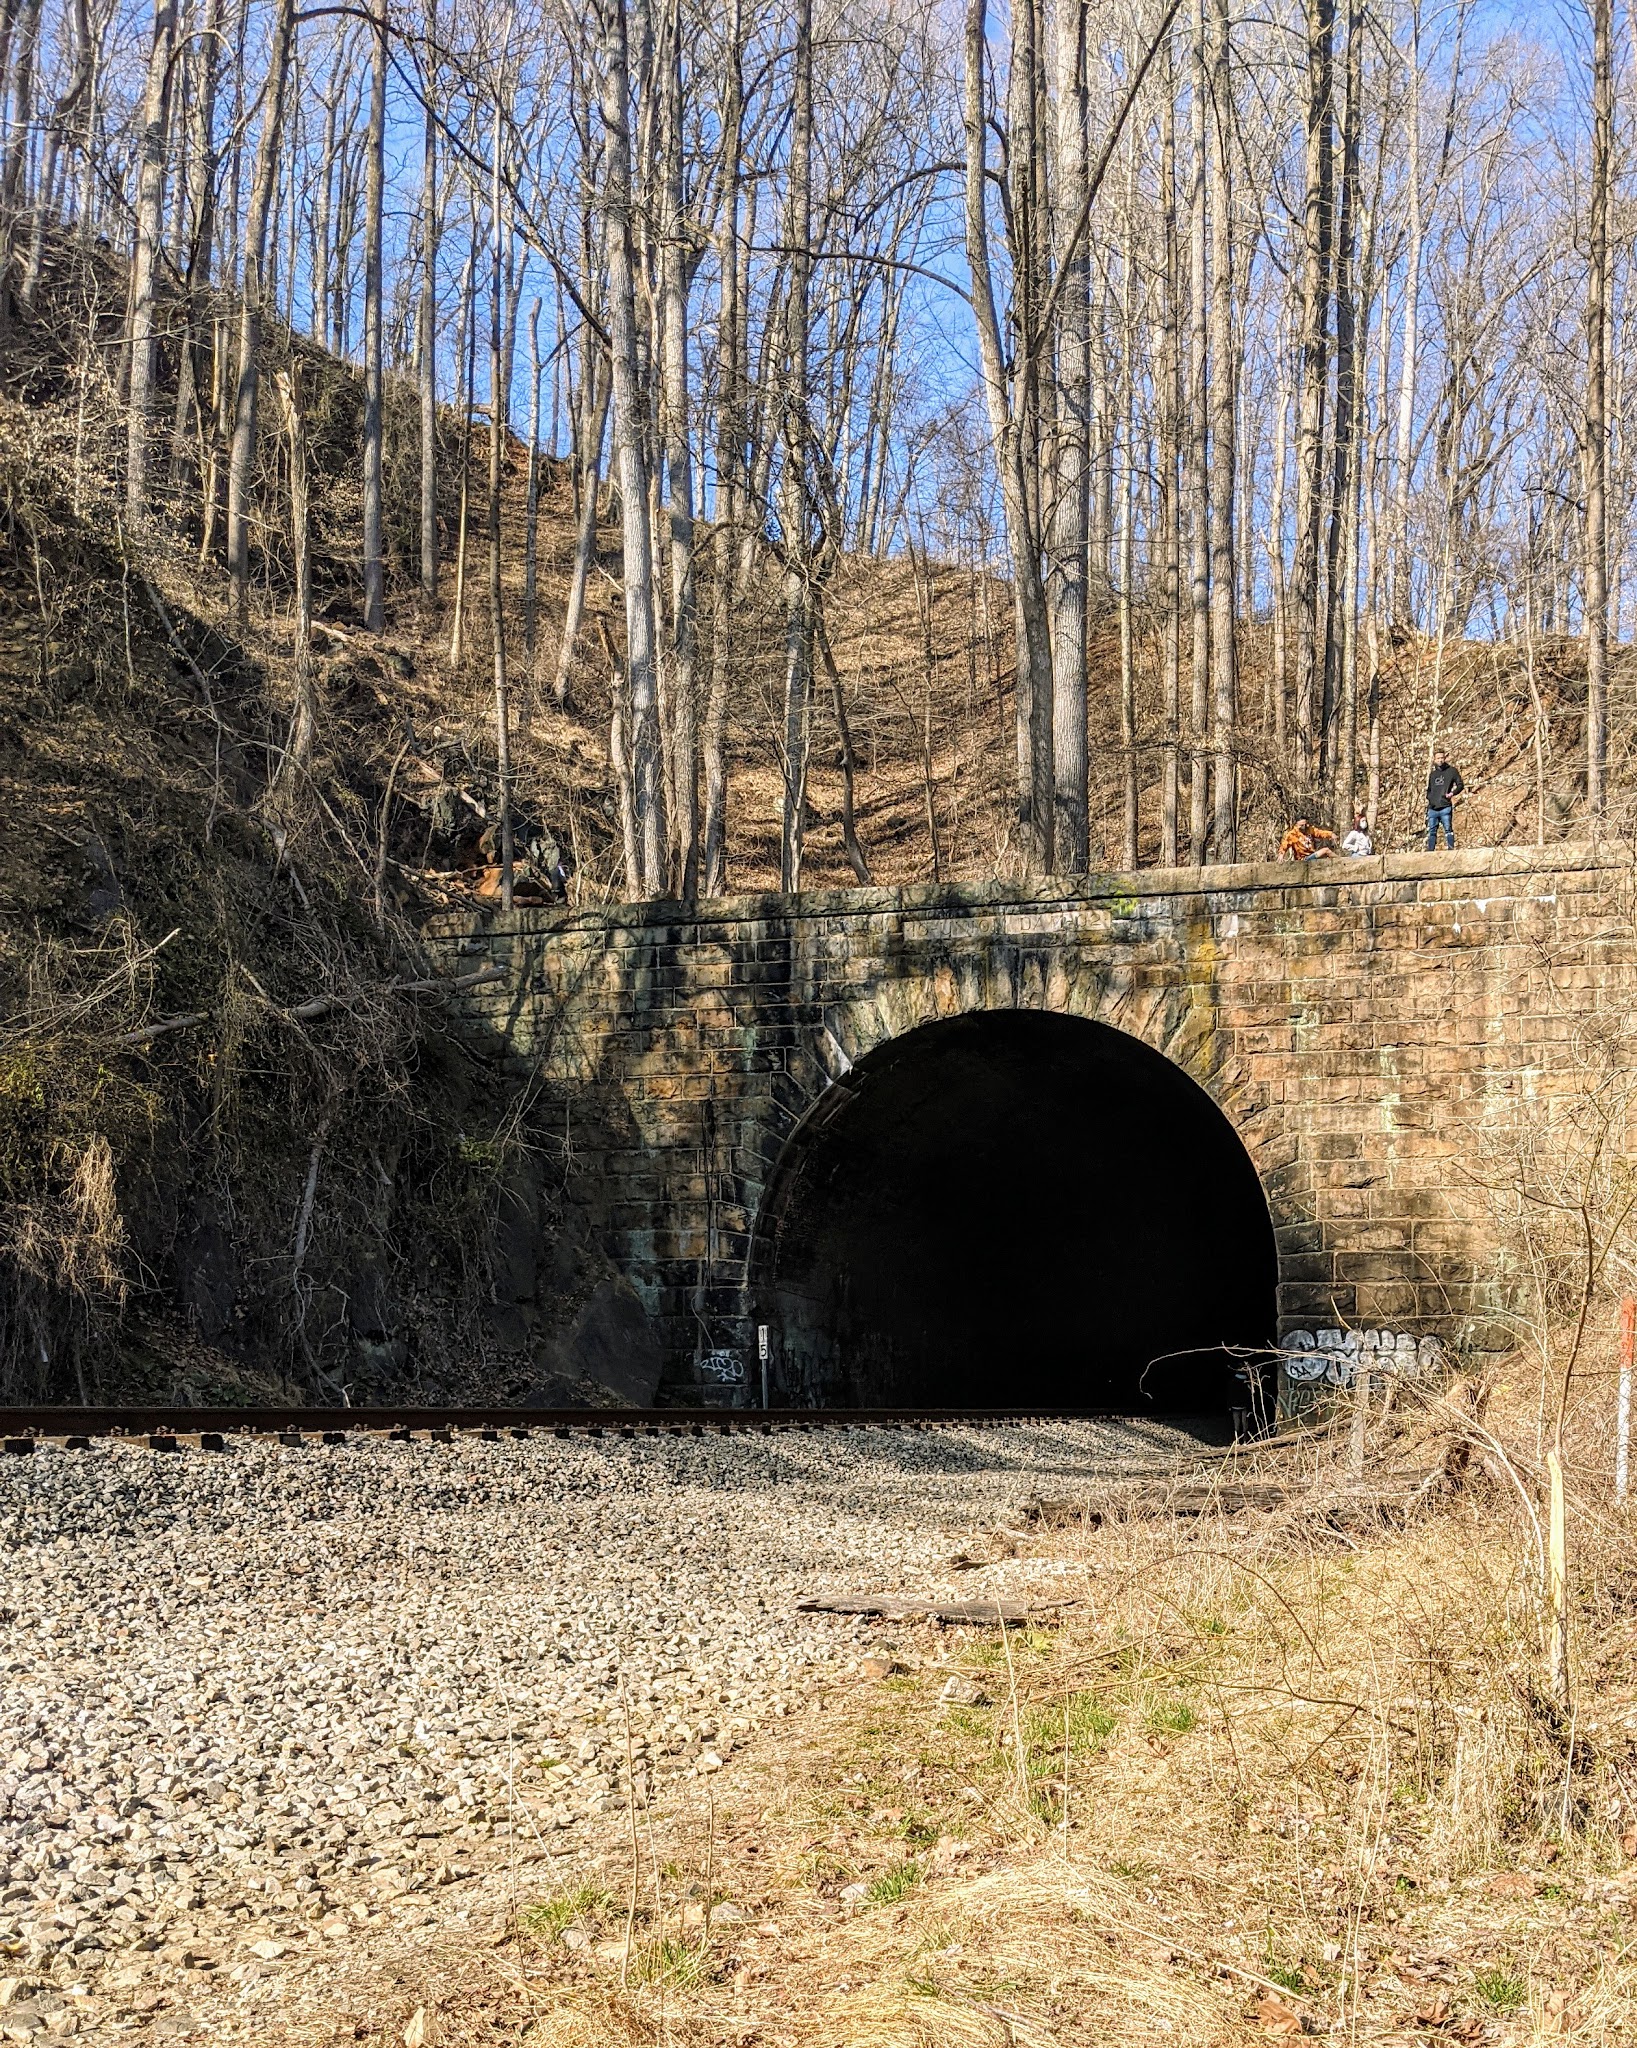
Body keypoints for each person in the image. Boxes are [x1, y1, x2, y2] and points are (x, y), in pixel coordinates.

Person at [1425, 752, 1465, 850]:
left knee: (1448, 829)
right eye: (1438, 758)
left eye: (1442, 758)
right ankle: (1430, 851)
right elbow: (1429, 790)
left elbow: (1460, 785)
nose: (1440, 760)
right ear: (1434, 760)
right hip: (1433, 807)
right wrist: (1430, 798)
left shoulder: (1451, 771)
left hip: (1445, 806)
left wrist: (1452, 793)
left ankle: (1450, 850)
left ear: (1445, 758)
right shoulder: (1433, 774)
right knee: (1432, 831)